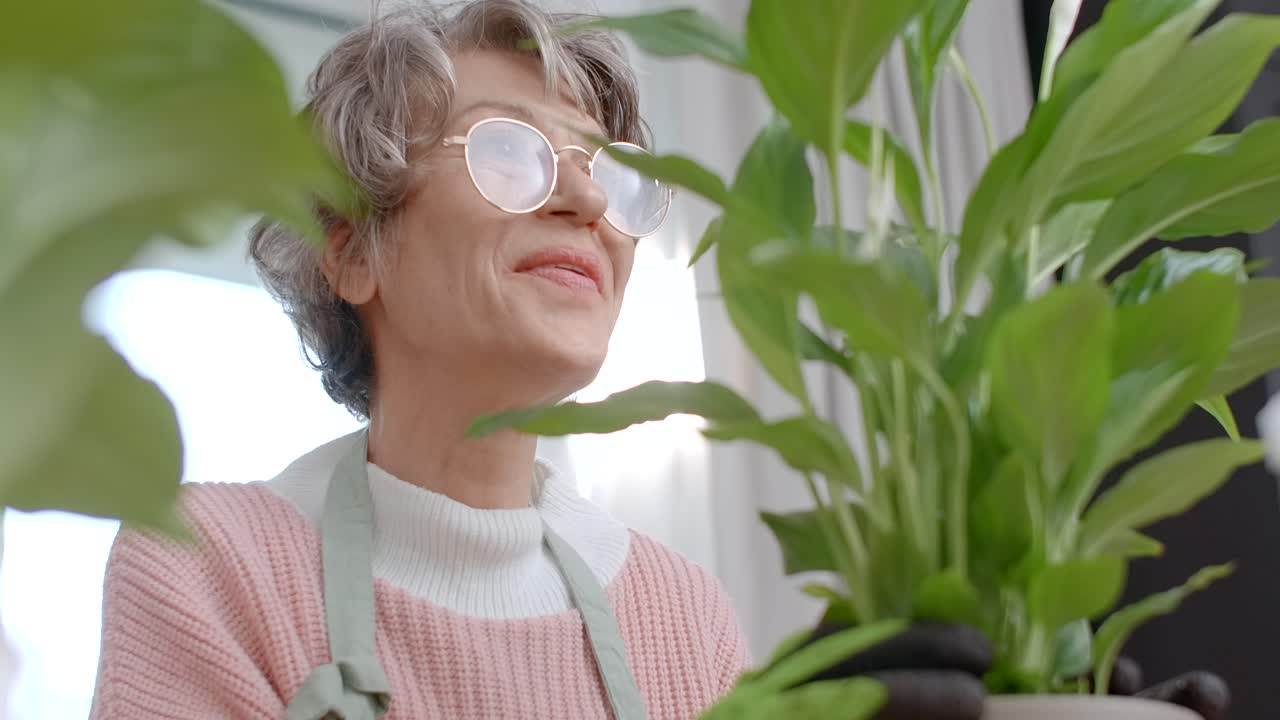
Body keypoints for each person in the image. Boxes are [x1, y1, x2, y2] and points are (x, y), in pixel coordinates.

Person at [87, 1, 1231, 719]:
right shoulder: (206, 569)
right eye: (512, 155)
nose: (589, 199)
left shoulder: (682, 616)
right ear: (351, 250)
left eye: (609, 171)